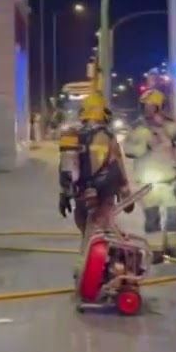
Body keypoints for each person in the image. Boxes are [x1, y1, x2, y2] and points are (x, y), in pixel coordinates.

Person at [59, 92, 133, 252]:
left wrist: (64, 193)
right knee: (102, 230)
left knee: (86, 230)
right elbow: (118, 163)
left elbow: (67, 166)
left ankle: (85, 266)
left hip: (81, 193)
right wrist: (126, 191)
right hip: (104, 191)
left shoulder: (73, 135)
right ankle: (107, 265)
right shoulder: (108, 136)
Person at [122, 88, 176, 263]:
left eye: (151, 106)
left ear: (159, 107)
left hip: (169, 180)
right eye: (145, 106)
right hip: (148, 182)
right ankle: (156, 251)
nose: (147, 109)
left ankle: (174, 248)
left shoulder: (170, 126)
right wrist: (144, 147)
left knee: (174, 217)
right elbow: (127, 149)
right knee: (152, 219)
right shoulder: (137, 128)